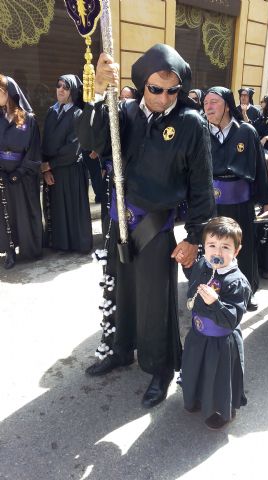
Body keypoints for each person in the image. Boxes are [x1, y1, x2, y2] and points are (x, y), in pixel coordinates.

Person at [77, 44, 215, 408]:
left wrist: (195, 237)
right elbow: (91, 142)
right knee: (119, 290)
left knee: (155, 302)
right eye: (156, 89)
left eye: (173, 90)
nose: (165, 97)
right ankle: (120, 349)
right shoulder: (121, 112)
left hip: (156, 225)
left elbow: (201, 185)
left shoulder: (191, 124)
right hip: (119, 218)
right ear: (142, 85)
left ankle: (160, 368)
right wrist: (96, 94)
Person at [203, 86, 268, 311]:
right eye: (205, 103)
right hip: (212, 202)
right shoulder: (202, 131)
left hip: (240, 201)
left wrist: (267, 200)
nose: (208, 106)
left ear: (226, 104)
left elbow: (260, 168)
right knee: (214, 245)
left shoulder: (246, 131)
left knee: (242, 246)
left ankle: (246, 291)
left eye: (213, 102)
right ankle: (212, 288)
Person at [181, 216, 251, 429]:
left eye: (225, 247)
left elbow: (231, 319)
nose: (217, 253)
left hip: (221, 342)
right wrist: (187, 264)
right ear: (204, 247)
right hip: (198, 333)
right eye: (212, 245)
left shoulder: (236, 282)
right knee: (196, 368)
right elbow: (193, 282)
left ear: (236, 251)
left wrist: (216, 303)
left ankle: (221, 410)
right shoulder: (203, 263)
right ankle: (197, 398)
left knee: (218, 377)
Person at [41, 74, 92, 253]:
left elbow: (73, 149)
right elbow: (44, 142)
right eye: (58, 85)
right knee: (56, 209)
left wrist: (50, 165)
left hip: (70, 171)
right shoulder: (51, 111)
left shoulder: (78, 114)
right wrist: (45, 168)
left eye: (65, 87)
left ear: (73, 91)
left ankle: (76, 245)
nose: (60, 89)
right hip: (52, 171)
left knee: (71, 209)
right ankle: (60, 244)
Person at [0, 74, 42, 269]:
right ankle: (9, 251)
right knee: (4, 214)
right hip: (2, 176)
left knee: (25, 213)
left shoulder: (28, 119)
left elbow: (34, 150)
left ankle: (30, 249)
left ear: (9, 93)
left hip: (23, 176)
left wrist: (19, 172)